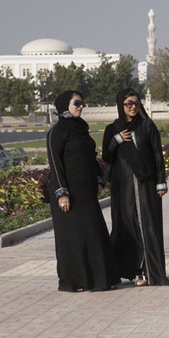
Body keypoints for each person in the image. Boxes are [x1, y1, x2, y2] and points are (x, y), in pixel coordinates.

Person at [46, 90, 120, 292]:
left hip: (86, 191)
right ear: (64, 106)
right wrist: (62, 193)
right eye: (76, 103)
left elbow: (90, 157)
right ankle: (75, 280)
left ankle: (100, 278)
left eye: (82, 103)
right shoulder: (57, 132)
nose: (81, 106)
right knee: (72, 237)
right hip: (68, 192)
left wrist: (98, 179)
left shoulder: (81, 128)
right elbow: (56, 164)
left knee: (93, 232)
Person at [102, 88, 169, 286]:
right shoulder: (113, 129)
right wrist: (116, 141)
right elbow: (106, 157)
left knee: (147, 226)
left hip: (146, 184)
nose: (133, 107)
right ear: (121, 105)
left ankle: (151, 272)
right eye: (128, 103)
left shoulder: (147, 126)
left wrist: (161, 181)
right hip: (122, 186)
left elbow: (157, 154)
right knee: (127, 227)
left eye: (136, 103)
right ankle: (134, 271)